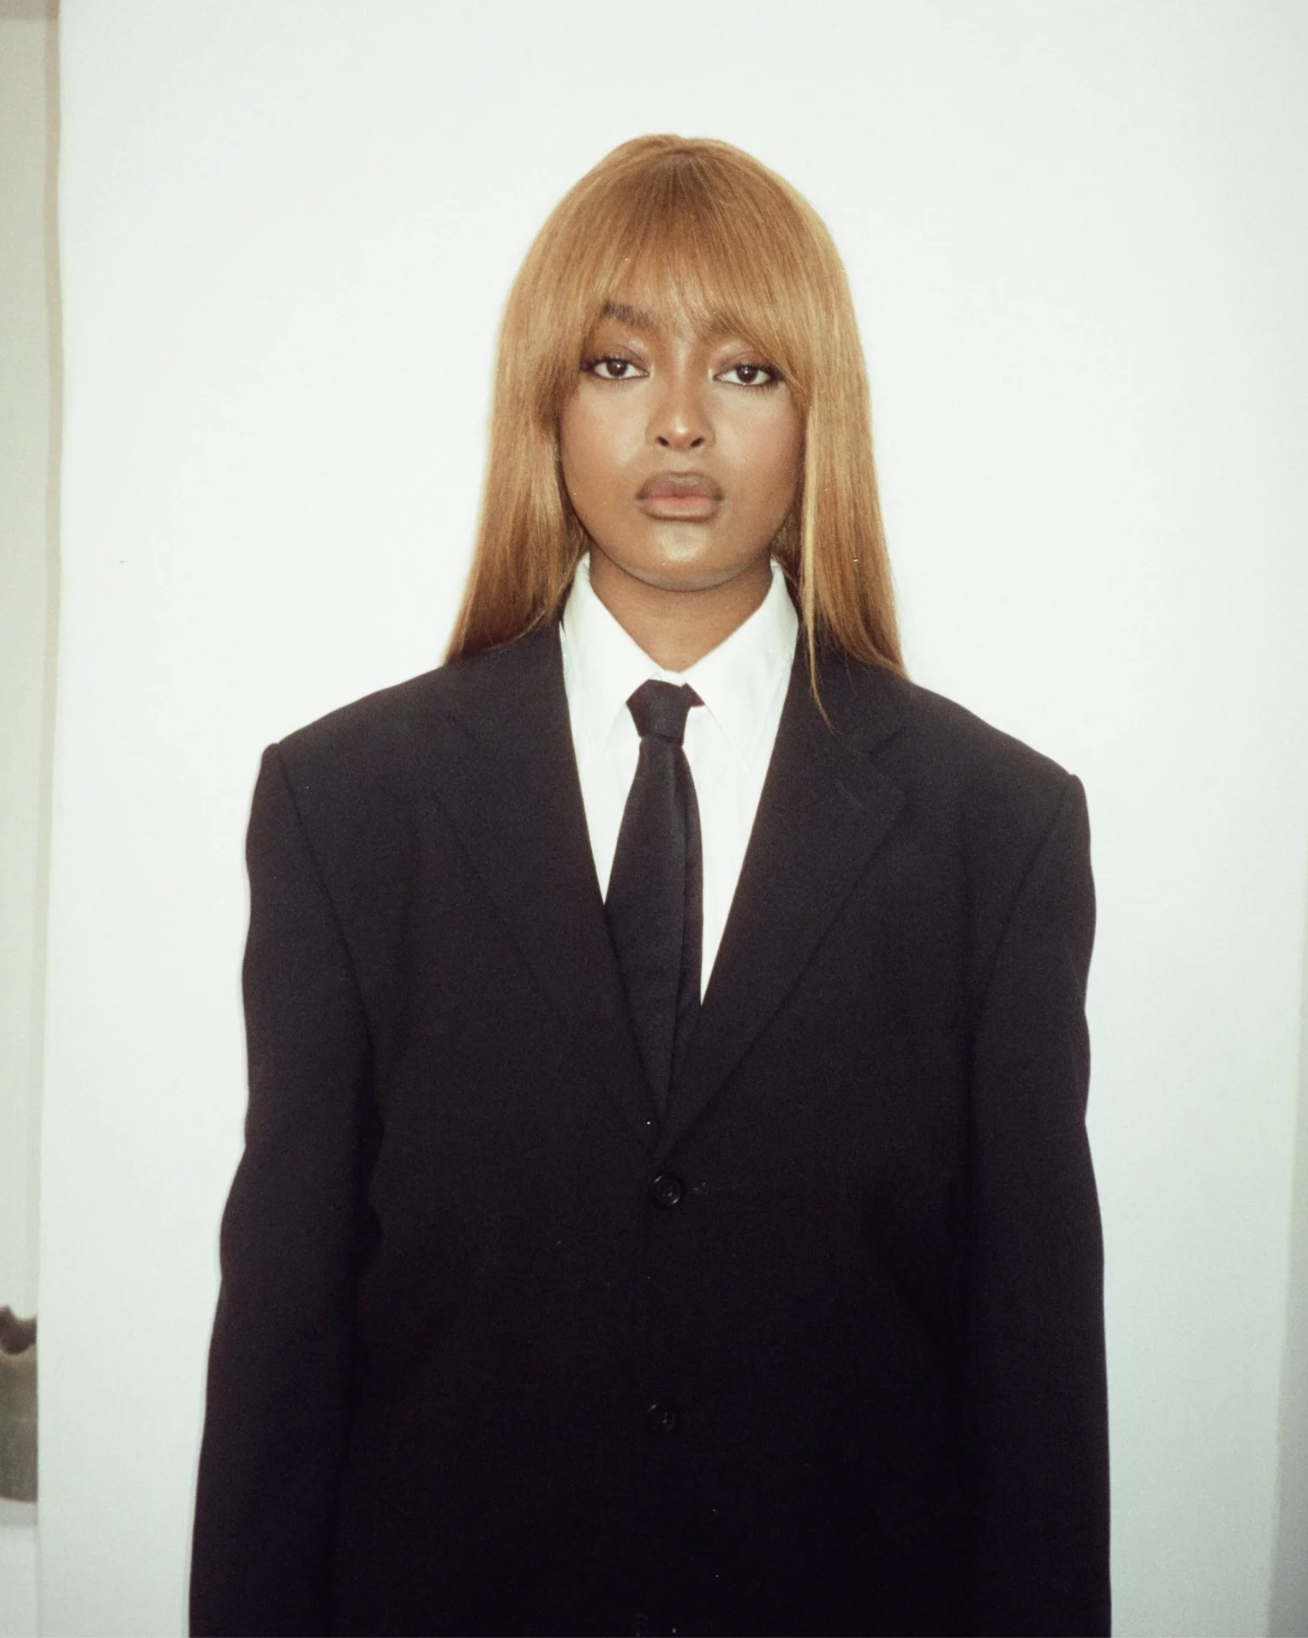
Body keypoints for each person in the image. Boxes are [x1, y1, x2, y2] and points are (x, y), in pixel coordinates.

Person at [191, 135, 1110, 1637]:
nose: (680, 419)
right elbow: (282, 1342)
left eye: (746, 370)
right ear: (546, 405)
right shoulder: (347, 807)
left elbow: (1036, 1376)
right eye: (619, 364)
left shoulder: (995, 830)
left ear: (819, 415)